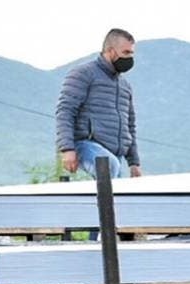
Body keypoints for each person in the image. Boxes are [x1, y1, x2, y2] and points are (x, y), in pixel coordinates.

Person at [55, 29, 141, 181]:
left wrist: (133, 163)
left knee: (115, 190)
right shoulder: (84, 73)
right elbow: (65, 110)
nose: (129, 58)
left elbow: (130, 126)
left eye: (131, 53)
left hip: (115, 154)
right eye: (126, 52)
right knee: (109, 166)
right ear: (110, 51)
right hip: (85, 145)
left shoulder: (125, 86)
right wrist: (67, 149)